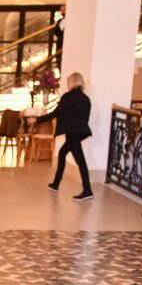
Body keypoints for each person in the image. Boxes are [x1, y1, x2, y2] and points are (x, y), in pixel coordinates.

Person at [32, 72, 93, 201]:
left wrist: (37, 120)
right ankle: (55, 184)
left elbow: (56, 113)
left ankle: (87, 190)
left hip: (72, 133)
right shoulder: (86, 98)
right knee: (62, 153)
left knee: (80, 161)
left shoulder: (68, 97)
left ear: (71, 83)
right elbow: (86, 118)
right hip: (81, 132)